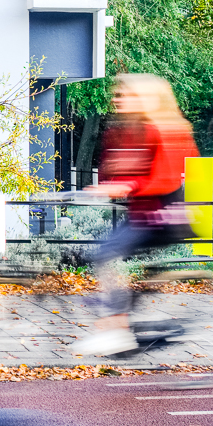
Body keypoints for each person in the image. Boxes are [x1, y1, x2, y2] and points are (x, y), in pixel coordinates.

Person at [71, 73, 198, 356]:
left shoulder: (165, 129)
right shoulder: (117, 131)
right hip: (139, 215)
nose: (117, 99)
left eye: (125, 95)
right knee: (103, 256)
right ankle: (121, 316)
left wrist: (128, 184)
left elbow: (167, 179)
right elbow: (109, 170)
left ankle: (117, 330)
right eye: (117, 94)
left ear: (145, 99)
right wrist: (104, 185)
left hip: (164, 217)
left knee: (105, 252)